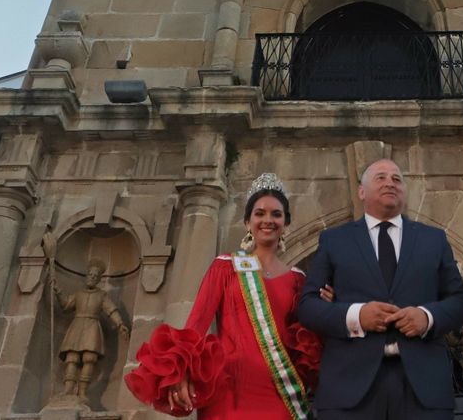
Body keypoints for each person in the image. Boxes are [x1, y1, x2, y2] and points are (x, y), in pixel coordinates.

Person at [125, 173, 321, 419]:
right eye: (259, 213)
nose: (267, 220)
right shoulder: (226, 267)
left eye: (276, 214)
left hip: (281, 394)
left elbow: (305, 341)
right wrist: (181, 373)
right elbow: (196, 325)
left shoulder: (298, 279)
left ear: (286, 224)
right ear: (248, 222)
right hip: (231, 391)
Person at [298, 158, 463, 420]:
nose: (390, 182)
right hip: (349, 387)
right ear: (361, 191)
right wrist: (356, 316)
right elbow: (308, 306)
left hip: (423, 388)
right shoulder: (334, 240)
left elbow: (459, 301)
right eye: (380, 177)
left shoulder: (433, 239)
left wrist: (427, 317)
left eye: (397, 178)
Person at [54, 260, 129, 401]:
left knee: (89, 358)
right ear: (86, 276)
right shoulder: (78, 294)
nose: (92, 277)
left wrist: (120, 324)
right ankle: (68, 389)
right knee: (72, 358)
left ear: (99, 279)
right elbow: (66, 305)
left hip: (92, 327)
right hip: (77, 325)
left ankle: (82, 392)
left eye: (95, 276)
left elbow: (111, 310)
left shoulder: (102, 295)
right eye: (90, 274)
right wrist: (58, 292)